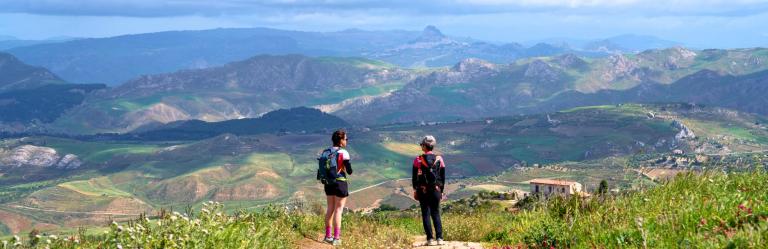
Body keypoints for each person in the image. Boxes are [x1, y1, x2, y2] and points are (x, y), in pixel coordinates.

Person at [320, 129, 352, 246]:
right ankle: (336, 238)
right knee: (339, 210)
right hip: (340, 183)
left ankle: (327, 236)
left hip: (328, 183)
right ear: (341, 140)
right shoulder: (344, 153)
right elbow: (350, 171)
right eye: (346, 139)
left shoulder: (325, 152)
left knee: (330, 208)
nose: (347, 141)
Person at [412, 135, 446, 246]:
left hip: (423, 190)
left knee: (425, 213)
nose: (421, 146)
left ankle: (430, 239)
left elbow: (414, 177)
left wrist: (415, 189)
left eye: (422, 144)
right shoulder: (439, 159)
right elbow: (442, 177)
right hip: (436, 190)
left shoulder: (418, 159)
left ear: (424, 146)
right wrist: (441, 191)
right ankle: (440, 238)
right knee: (436, 213)